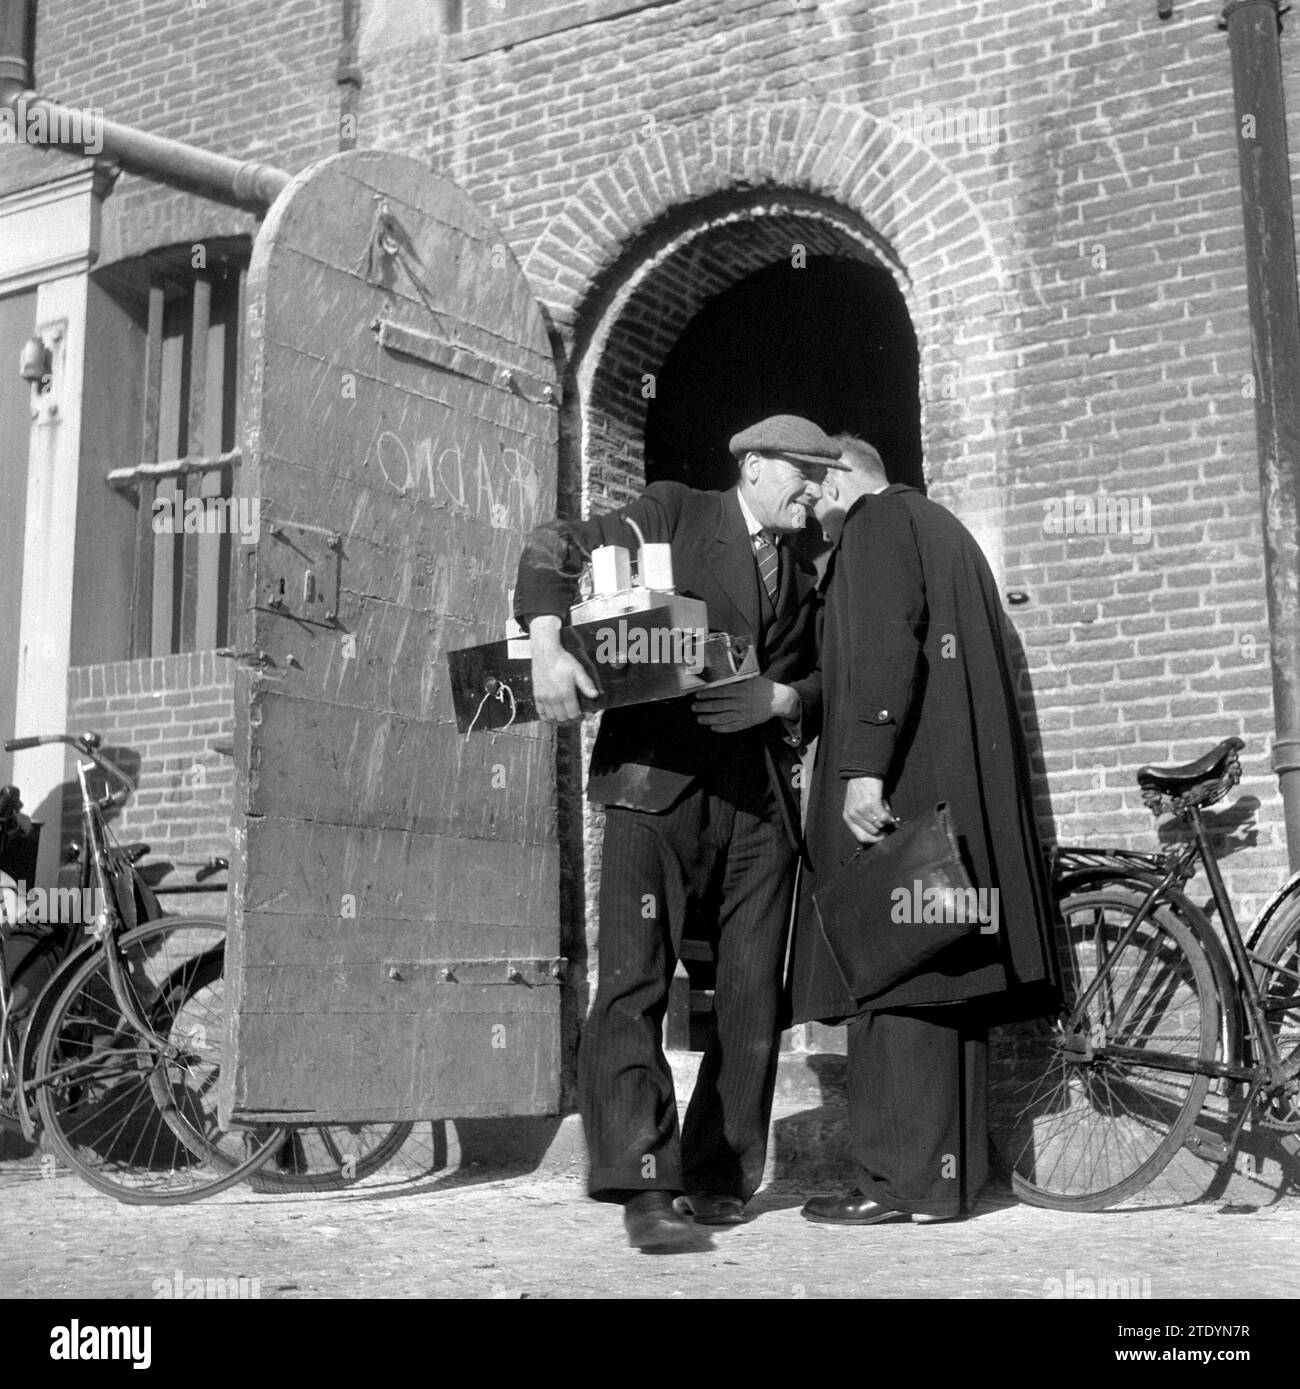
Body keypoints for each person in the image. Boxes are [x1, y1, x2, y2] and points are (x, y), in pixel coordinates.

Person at [514, 415, 846, 1250]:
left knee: (747, 991)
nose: (816, 492)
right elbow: (554, 543)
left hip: (758, 798)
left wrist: (781, 698)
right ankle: (642, 1182)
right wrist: (548, 648)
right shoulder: (676, 511)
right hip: (652, 784)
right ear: (758, 467)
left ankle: (720, 1174)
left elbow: (821, 669)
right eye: (804, 474)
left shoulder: (808, 564)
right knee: (633, 980)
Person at [788, 435, 1060, 1225]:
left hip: (900, 797)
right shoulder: (945, 530)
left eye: (813, 485)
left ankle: (896, 1185)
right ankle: (949, 1182)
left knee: (893, 978)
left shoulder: (874, 526)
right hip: (956, 810)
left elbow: (884, 644)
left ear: (843, 475)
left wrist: (861, 764)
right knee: (951, 988)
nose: (809, 508)